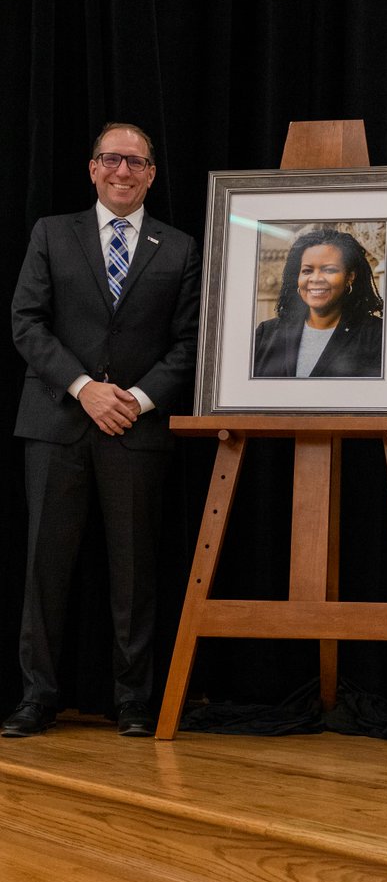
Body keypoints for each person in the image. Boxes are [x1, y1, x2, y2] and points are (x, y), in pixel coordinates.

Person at [2, 122, 201, 739]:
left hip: (136, 431)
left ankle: (133, 700)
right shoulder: (51, 234)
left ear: (151, 175)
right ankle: (37, 698)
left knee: (135, 570)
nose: (123, 171)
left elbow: (190, 343)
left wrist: (136, 400)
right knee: (44, 568)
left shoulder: (181, 248)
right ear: (92, 168)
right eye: (112, 159)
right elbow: (26, 323)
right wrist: (85, 389)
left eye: (136, 162)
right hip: (58, 423)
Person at [253, 228, 383, 377]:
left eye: (329, 270)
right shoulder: (266, 334)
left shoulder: (377, 336)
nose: (316, 278)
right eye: (307, 271)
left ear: (349, 277)